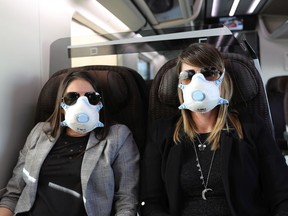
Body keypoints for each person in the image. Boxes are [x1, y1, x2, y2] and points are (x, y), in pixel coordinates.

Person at [140, 43, 288, 216]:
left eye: (208, 73)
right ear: (180, 84)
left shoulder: (251, 128)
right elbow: (151, 202)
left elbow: (282, 195)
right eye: (188, 75)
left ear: (222, 79)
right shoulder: (162, 133)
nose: (198, 82)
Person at [0, 71, 139, 216]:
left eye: (91, 97)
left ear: (100, 104)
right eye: (72, 97)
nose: (82, 104)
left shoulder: (117, 137)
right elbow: (13, 194)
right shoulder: (39, 132)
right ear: (61, 107)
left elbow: (126, 201)